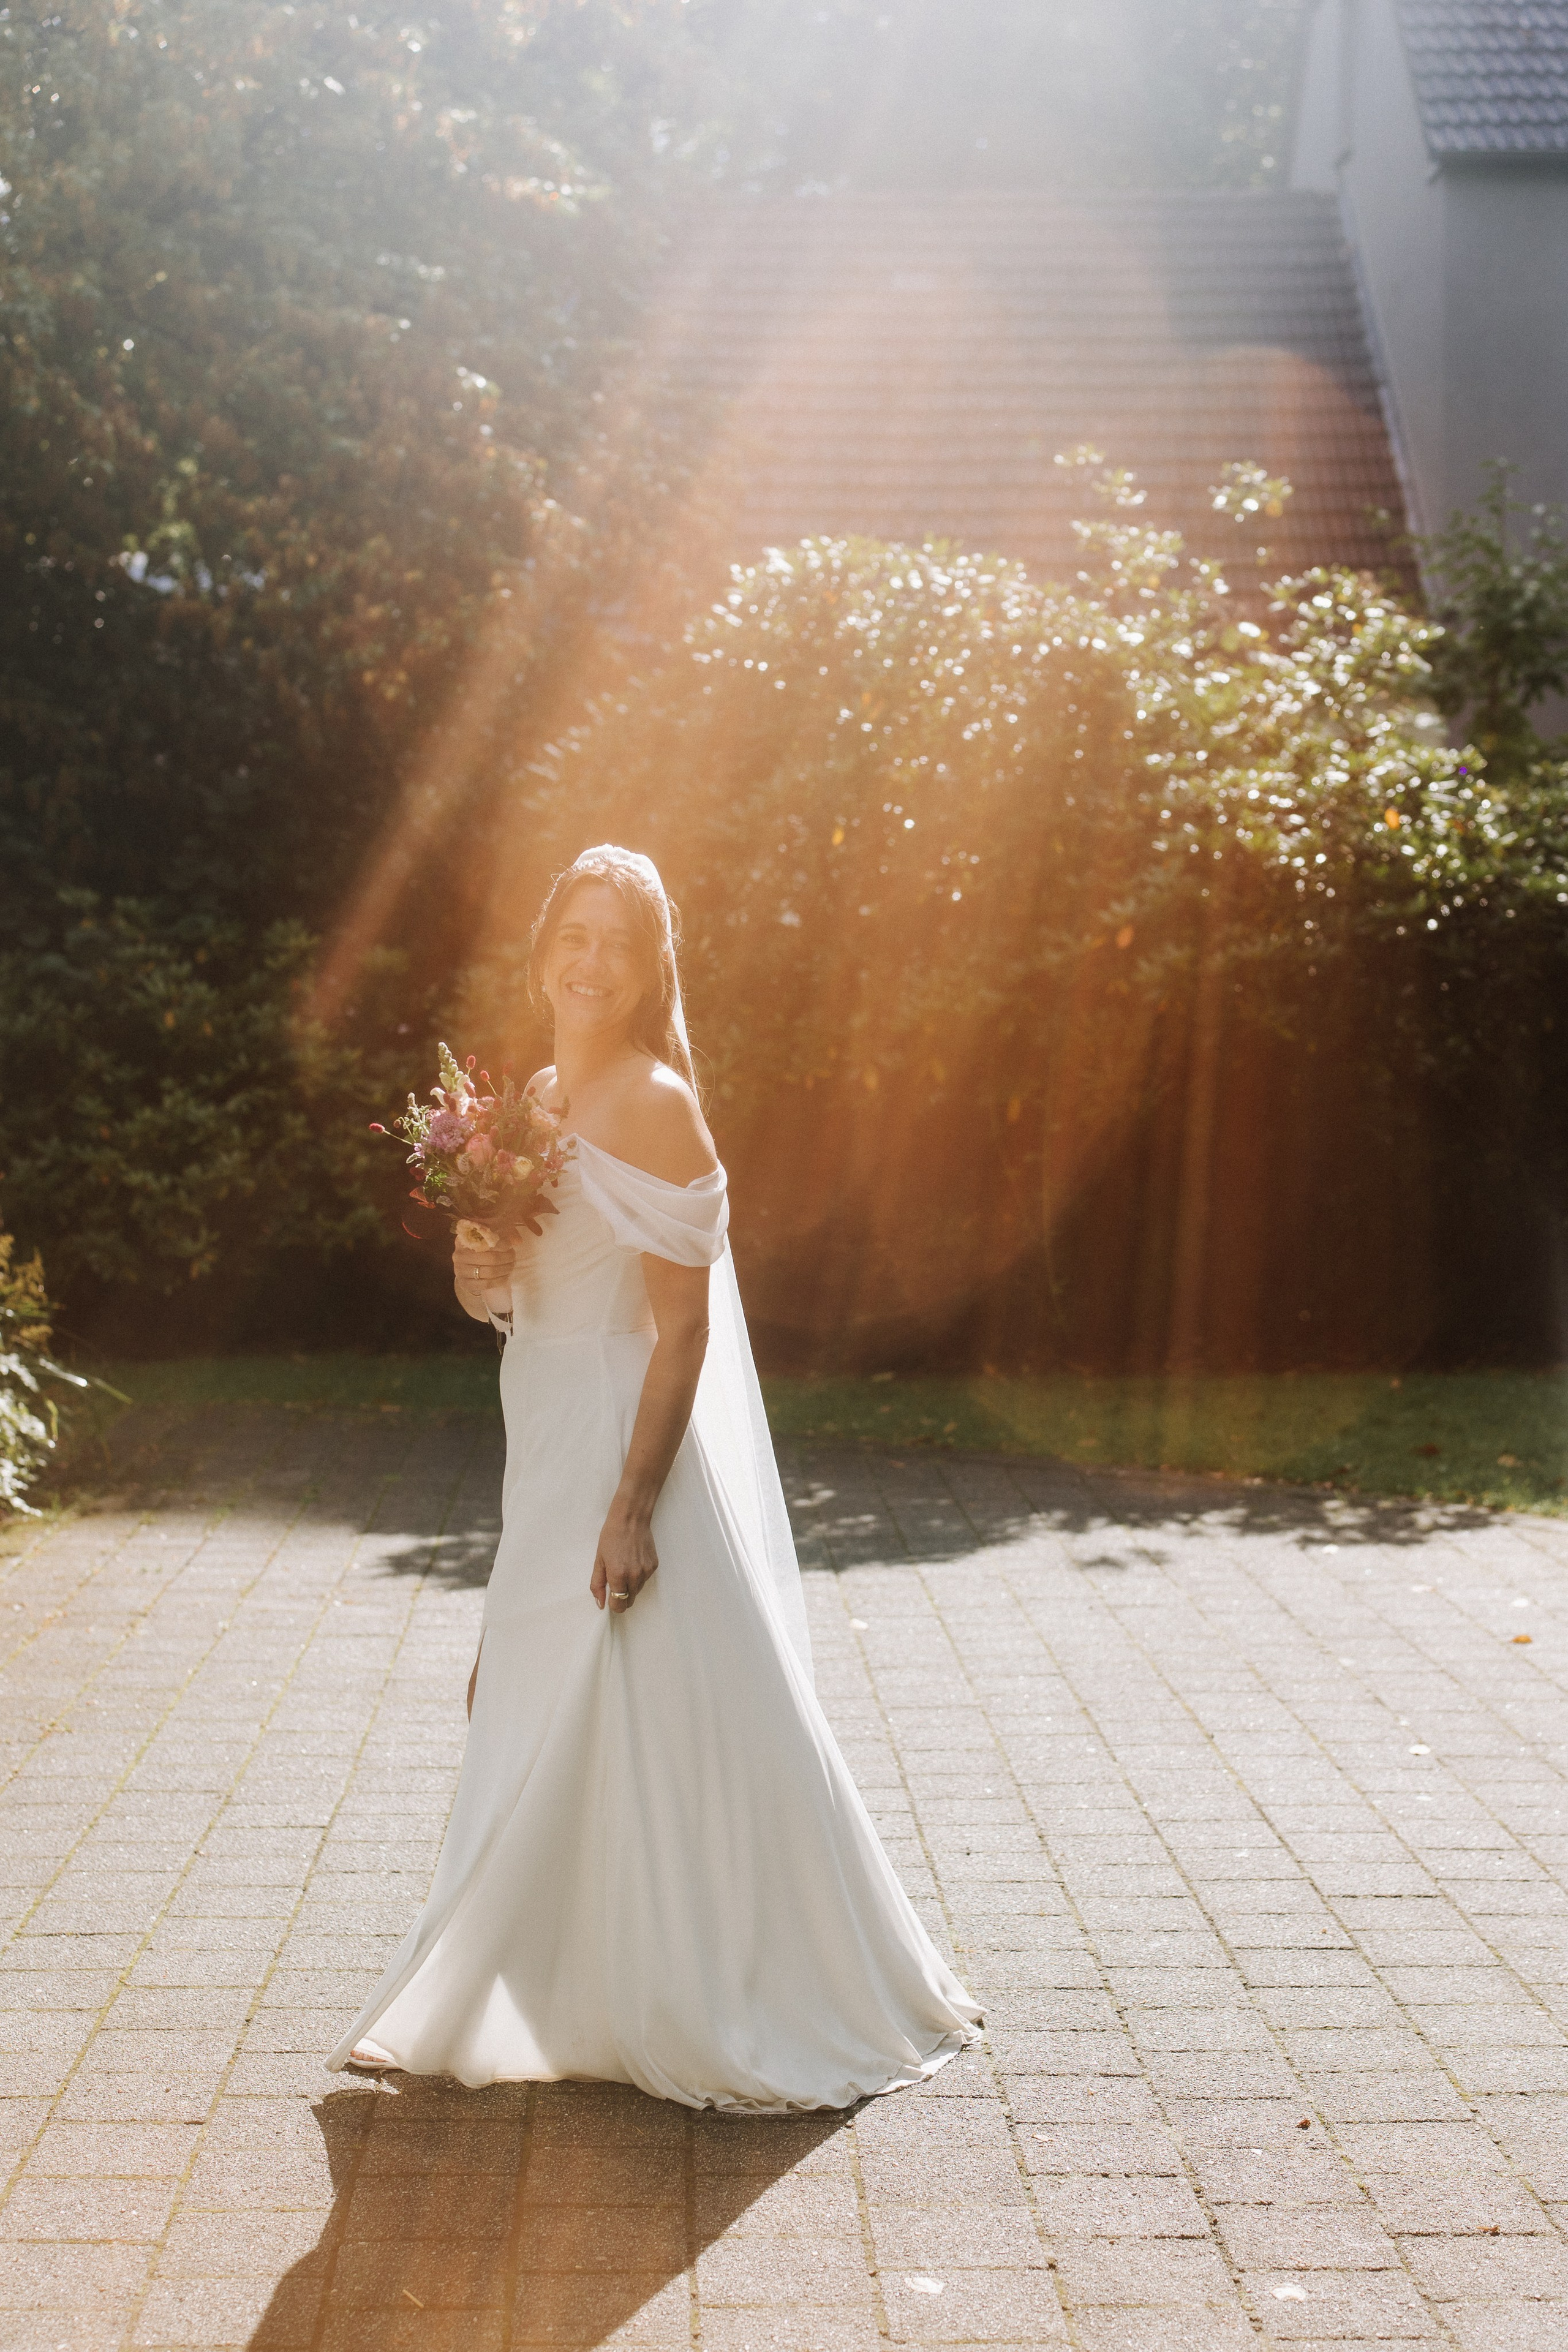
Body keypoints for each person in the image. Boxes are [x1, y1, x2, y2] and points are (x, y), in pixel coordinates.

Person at [329, 845, 981, 2109]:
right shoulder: (527, 1096)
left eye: (613, 945)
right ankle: (528, 1984)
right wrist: (473, 1259)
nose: (588, 963)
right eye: (571, 936)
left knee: (651, 1693)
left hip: (626, 1439)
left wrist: (634, 1504)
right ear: (541, 952)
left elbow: (681, 1330)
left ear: (645, 972)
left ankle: (658, 1984)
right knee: (529, 1687)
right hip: (546, 1428)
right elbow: (510, 1298)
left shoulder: (654, 1102)